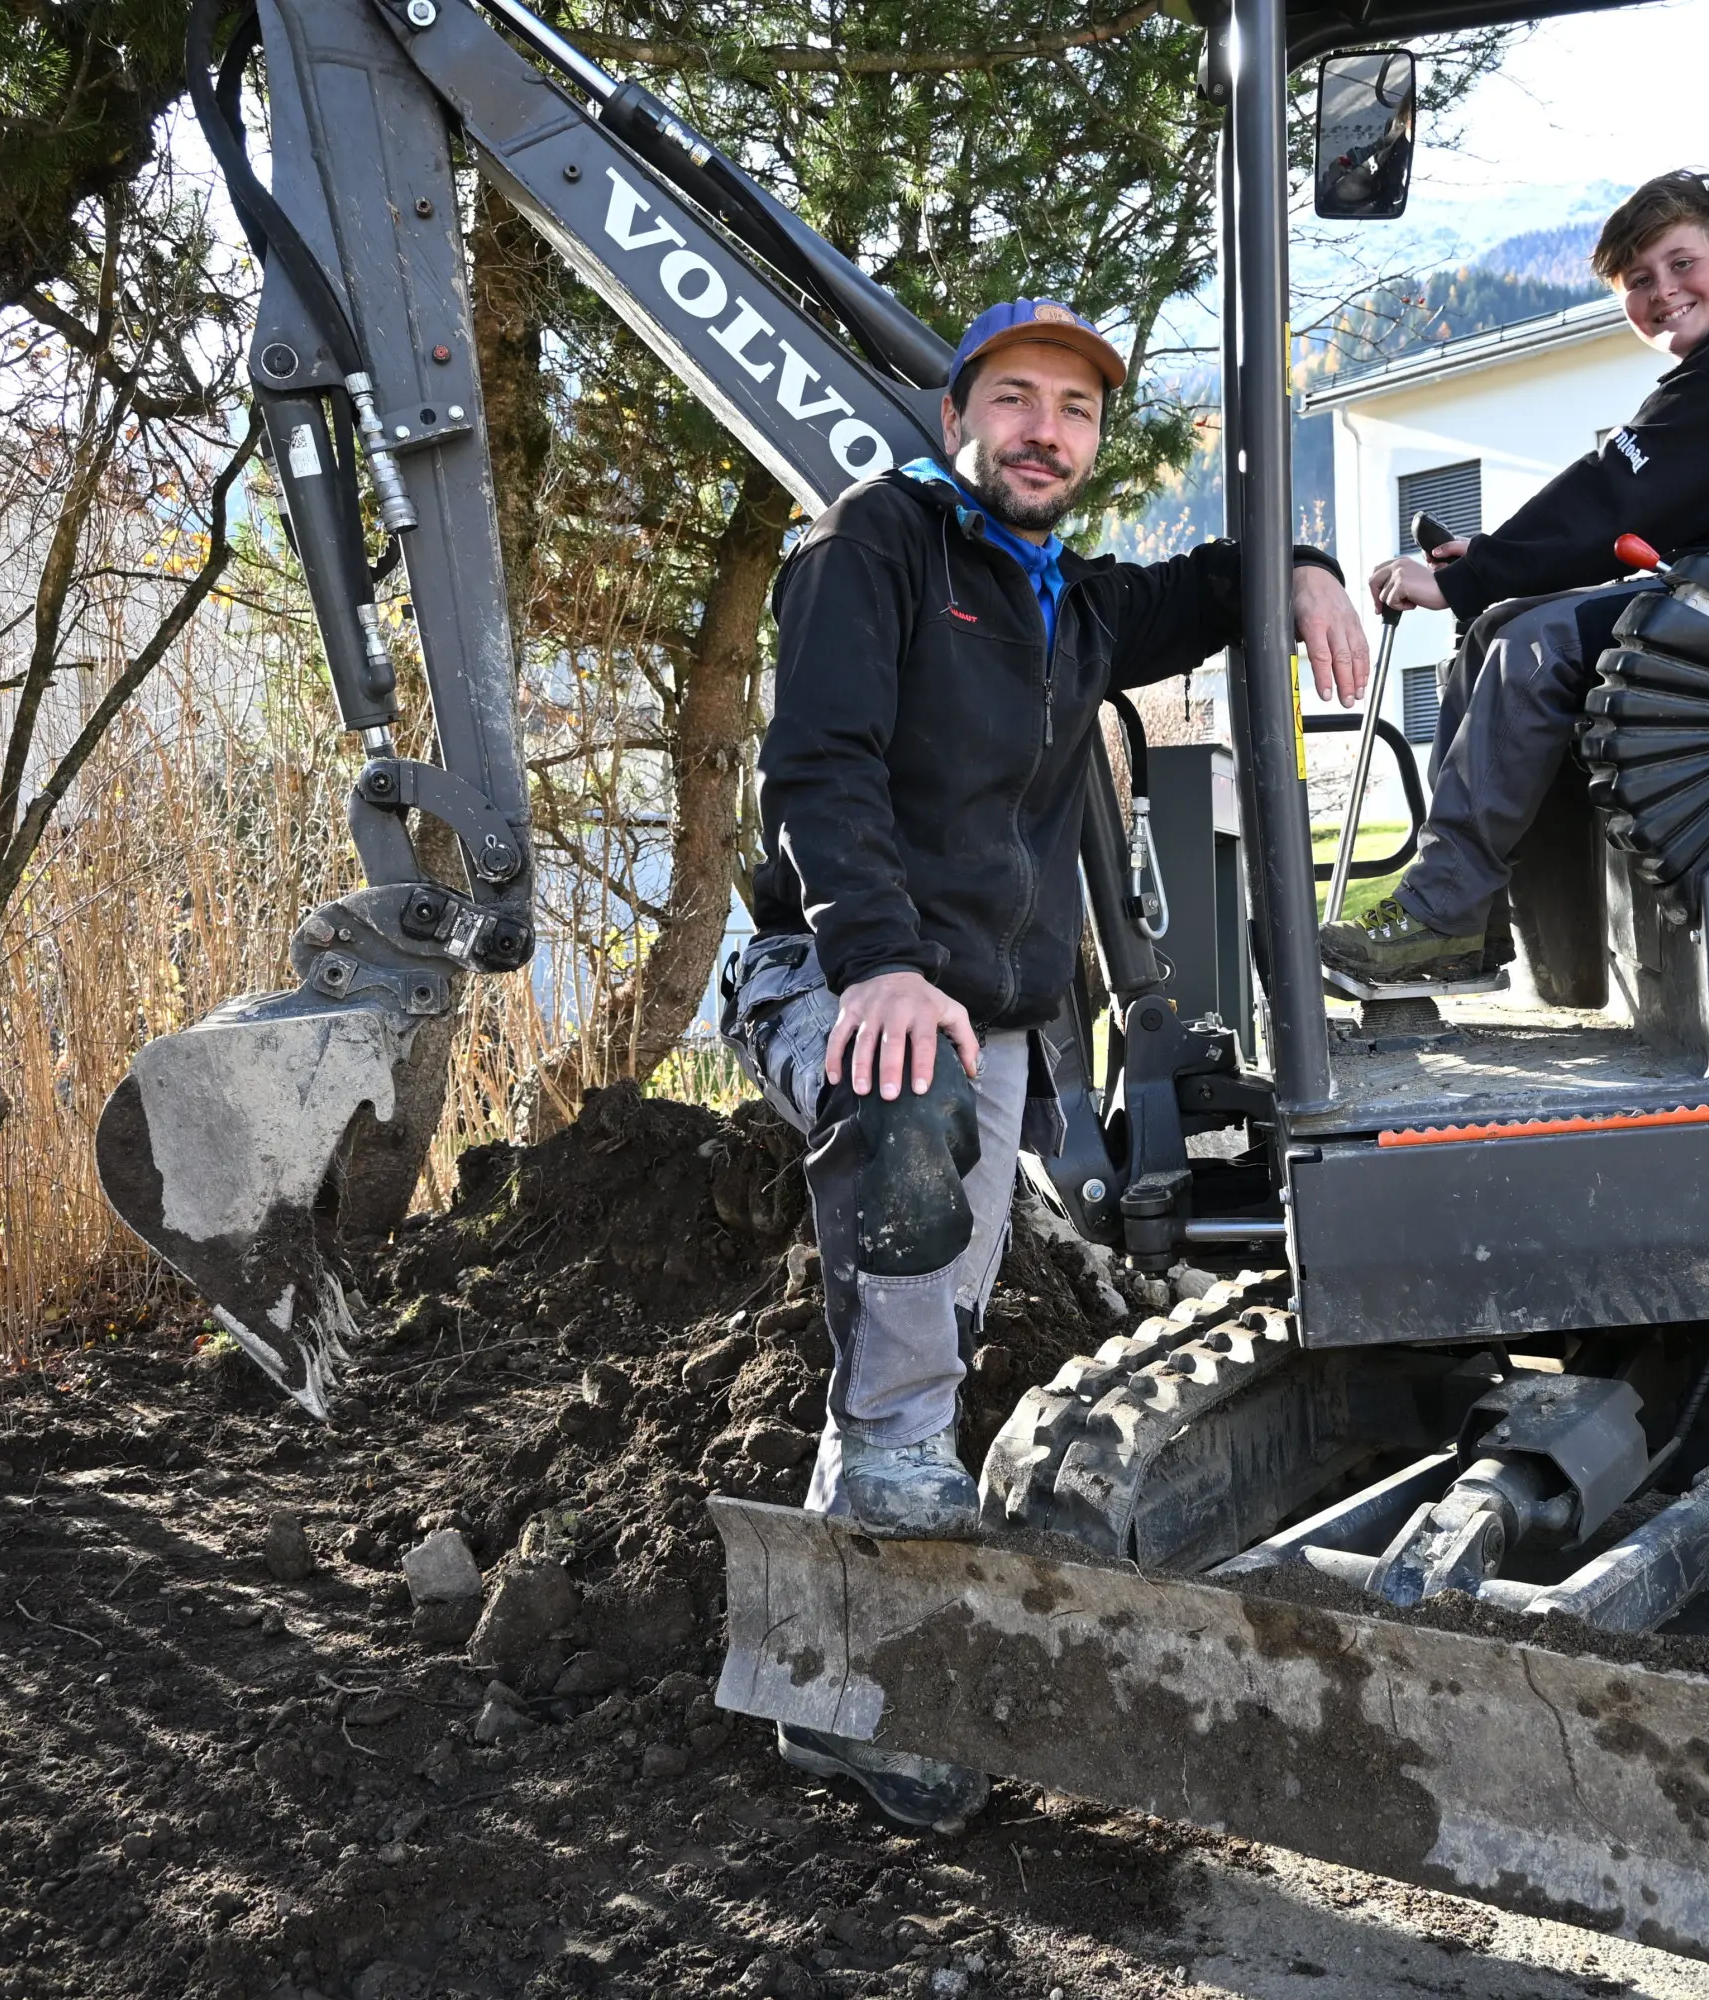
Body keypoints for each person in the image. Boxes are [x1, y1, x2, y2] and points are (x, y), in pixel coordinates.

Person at [718, 296, 1370, 1827]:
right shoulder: (875, 546)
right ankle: (882, 1641)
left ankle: (833, 1689)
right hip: (844, 982)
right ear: (961, 417)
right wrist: (878, 959)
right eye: (1015, 397)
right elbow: (818, 765)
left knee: (918, 1332)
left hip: (989, 1021)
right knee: (907, 1156)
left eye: (1075, 410)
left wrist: (1303, 567)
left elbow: (1202, 589)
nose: (1045, 430)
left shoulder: (1063, 599)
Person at [1318, 170, 1709, 986]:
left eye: (1681, 264)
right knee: (1496, 632)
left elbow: (1614, 493)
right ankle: (1465, 921)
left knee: (1534, 646)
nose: (1663, 292)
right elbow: (1626, 503)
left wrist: (1473, 575)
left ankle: (1441, 914)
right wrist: (1488, 567)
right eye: (1639, 280)